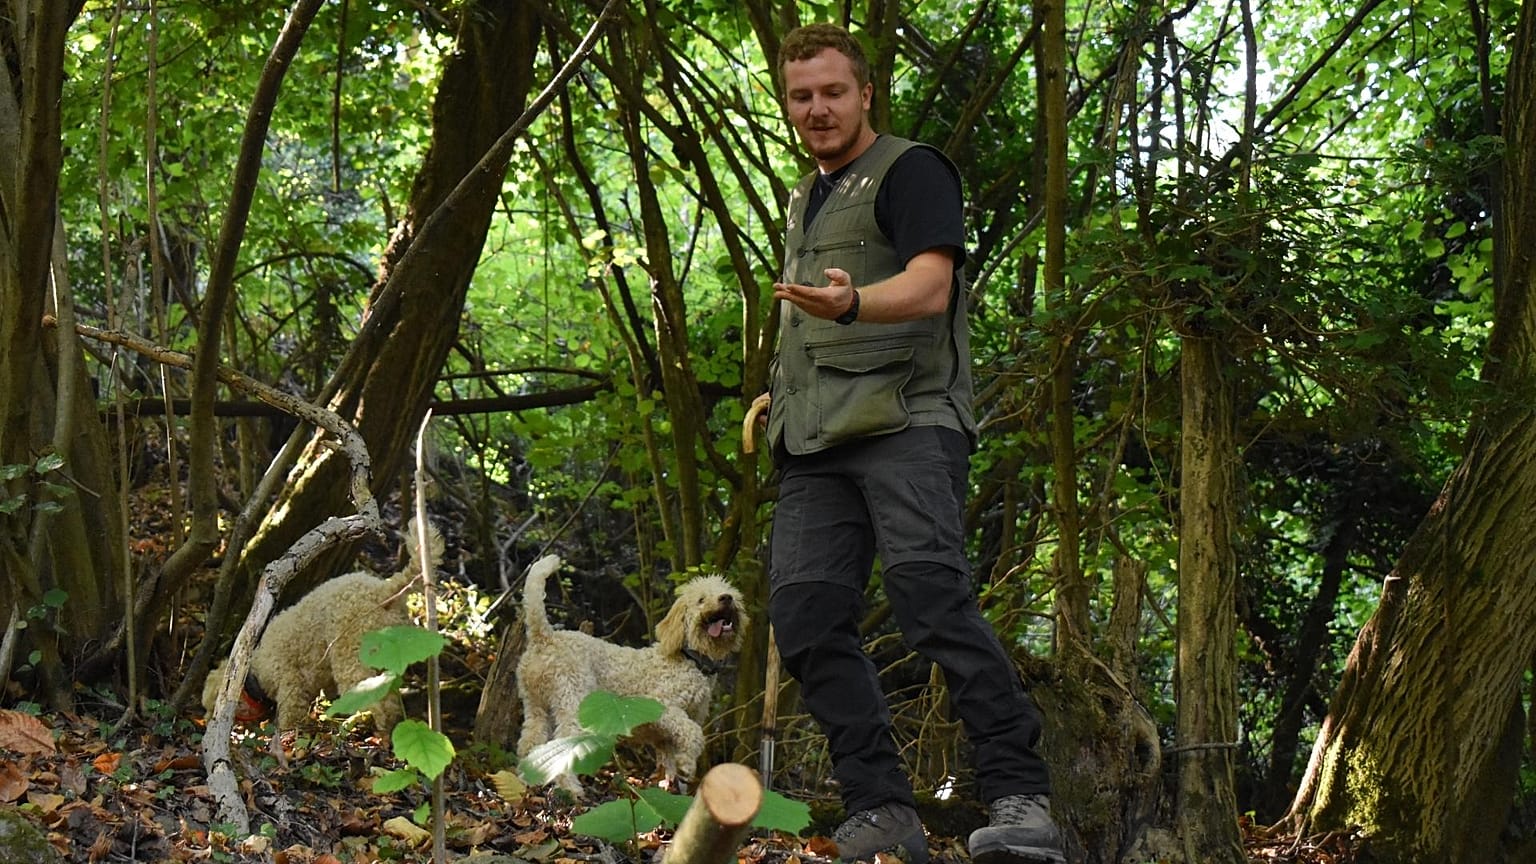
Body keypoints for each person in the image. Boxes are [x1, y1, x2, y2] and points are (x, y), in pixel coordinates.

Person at [760, 23, 1067, 864]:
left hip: (906, 423)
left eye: (832, 91)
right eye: (801, 95)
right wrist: (782, 388)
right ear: (787, 102)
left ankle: (1019, 798)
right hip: (816, 441)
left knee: (930, 599)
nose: (817, 109)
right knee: (807, 616)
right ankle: (880, 809)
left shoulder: (911, 170)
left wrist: (854, 305)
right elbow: (816, 326)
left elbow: (931, 286)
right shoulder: (808, 195)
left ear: (864, 93)